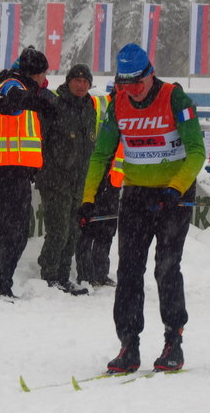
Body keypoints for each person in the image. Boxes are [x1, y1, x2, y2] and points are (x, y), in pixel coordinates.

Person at [78, 43, 205, 374]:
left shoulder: (175, 99)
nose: (132, 90)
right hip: (135, 194)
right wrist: (88, 198)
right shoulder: (118, 103)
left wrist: (175, 189)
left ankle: (173, 341)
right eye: (125, 84)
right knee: (129, 271)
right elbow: (101, 155)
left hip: (173, 195)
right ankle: (129, 345)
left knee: (166, 267)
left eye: (137, 82)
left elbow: (196, 151)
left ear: (151, 74)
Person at [0, 46, 52, 299]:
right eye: (43, 73)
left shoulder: (19, 85)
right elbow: (11, 102)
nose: (44, 78)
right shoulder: (12, 85)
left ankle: (0, 283)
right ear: (35, 73)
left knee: (16, 230)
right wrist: (40, 102)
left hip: (16, 168)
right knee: (13, 230)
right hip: (9, 168)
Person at [34, 64, 98, 296]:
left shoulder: (90, 107)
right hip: (55, 178)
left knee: (72, 231)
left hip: (79, 180)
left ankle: (63, 275)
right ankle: (49, 275)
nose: (81, 85)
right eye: (77, 81)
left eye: (86, 82)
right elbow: (41, 139)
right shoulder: (54, 103)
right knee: (58, 231)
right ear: (68, 81)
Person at [75, 86, 122, 289]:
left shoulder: (131, 110)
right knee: (88, 226)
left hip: (113, 180)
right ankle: (86, 274)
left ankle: (101, 273)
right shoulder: (99, 103)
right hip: (94, 176)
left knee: (107, 228)